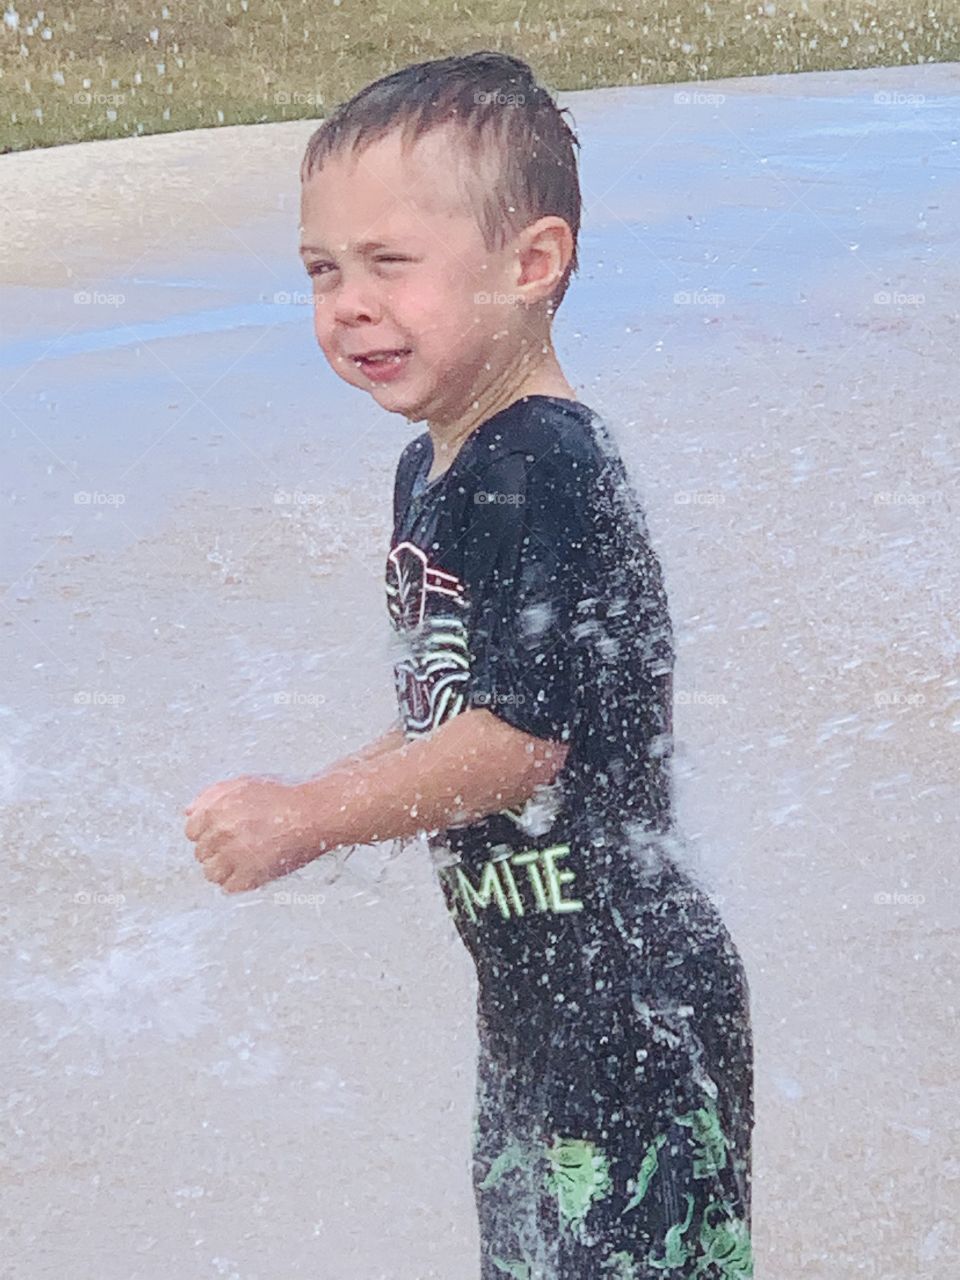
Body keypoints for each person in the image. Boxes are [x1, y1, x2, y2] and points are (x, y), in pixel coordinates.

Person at [185, 51, 754, 1279]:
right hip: (535, 1005)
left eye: (390, 264)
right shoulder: (433, 467)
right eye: (322, 270)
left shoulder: (544, 460)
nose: (348, 302)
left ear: (530, 264)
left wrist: (311, 817)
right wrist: (328, 783)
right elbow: (454, 711)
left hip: (635, 1015)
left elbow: (518, 741)